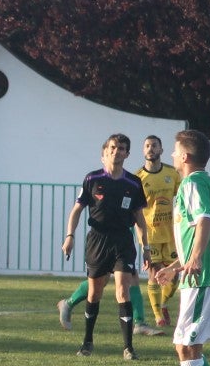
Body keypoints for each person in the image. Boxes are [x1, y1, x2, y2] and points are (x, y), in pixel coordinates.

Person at [151, 129, 210, 366]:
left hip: (204, 279)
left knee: (186, 346)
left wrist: (193, 260)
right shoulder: (209, 184)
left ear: (186, 157)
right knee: (190, 346)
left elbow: (205, 220)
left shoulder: (193, 184)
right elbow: (199, 231)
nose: (173, 156)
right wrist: (177, 265)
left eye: (176, 151)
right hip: (205, 275)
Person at [56, 137, 166, 337]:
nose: (116, 152)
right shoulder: (94, 179)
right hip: (99, 238)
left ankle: (139, 323)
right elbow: (77, 209)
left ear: (127, 153)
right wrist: (69, 235)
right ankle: (69, 303)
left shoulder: (138, 181)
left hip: (124, 236)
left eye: (121, 148)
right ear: (105, 153)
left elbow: (139, 217)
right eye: (112, 148)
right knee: (101, 281)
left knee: (130, 278)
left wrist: (145, 247)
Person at [136, 135, 183, 329]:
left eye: (154, 145)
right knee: (154, 273)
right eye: (147, 145)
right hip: (151, 234)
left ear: (161, 150)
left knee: (174, 275)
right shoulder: (138, 177)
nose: (150, 149)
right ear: (143, 150)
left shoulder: (172, 174)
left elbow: (180, 200)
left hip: (171, 233)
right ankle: (158, 316)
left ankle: (163, 304)